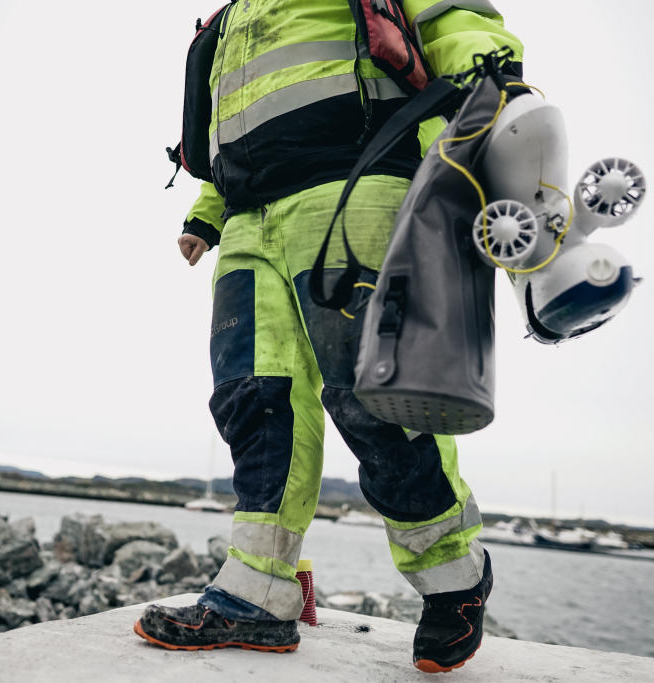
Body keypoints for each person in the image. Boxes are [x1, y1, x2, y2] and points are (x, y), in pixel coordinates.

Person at [135, 0, 523, 673]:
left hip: (357, 180)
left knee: (376, 398)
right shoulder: (234, 15)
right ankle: (256, 593)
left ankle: (455, 579)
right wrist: (208, 210)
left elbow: (454, 18)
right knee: (252, 401)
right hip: (250, 218)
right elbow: (238, 119)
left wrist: (504, 84)